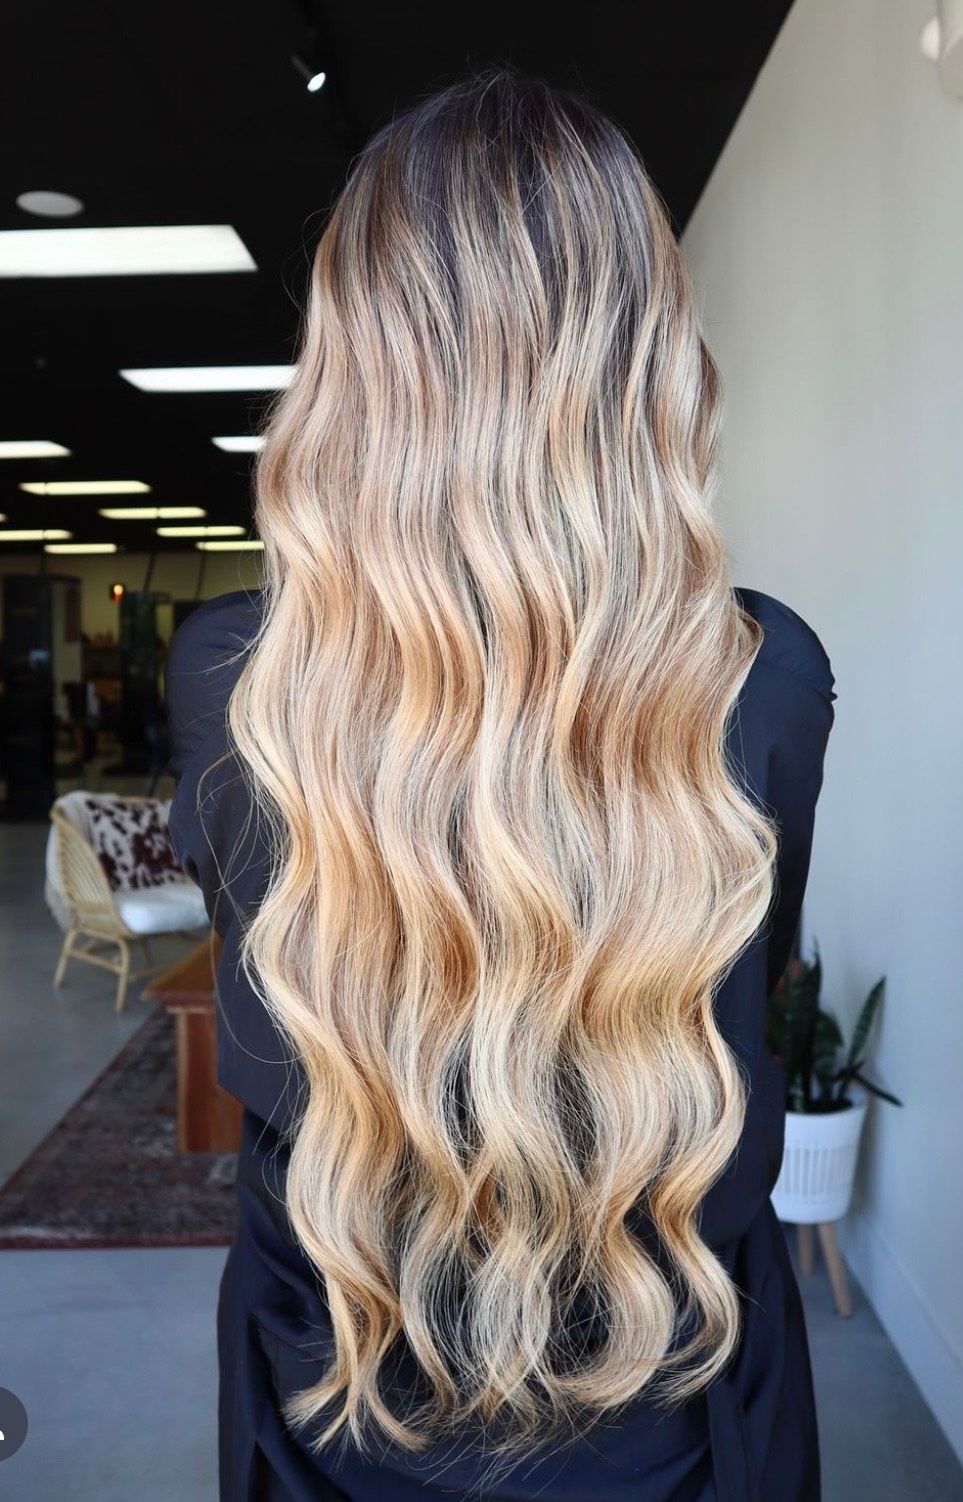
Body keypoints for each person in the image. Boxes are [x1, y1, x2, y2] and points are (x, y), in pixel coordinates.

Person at [165, 69, 836, 1502]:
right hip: (668, 1392)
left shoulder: (237, 677)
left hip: (336, 1394)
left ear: (354, 362)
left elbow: (266, 999)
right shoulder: (766, 678)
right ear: (646, 357)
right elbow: (752, 977)